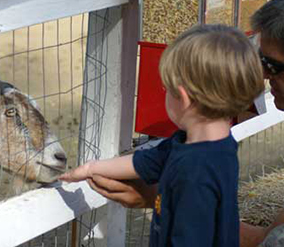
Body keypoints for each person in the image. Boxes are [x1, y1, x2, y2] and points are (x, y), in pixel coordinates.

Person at [86, 0, 284, 247]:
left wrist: (170, 199)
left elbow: (269, 241)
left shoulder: (201, 165)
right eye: (260, 61)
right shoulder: (220, 149)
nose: (264, 75)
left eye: (273, 66)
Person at [60, 24, 264, 246]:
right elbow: (148, 161)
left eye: (166, 88)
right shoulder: (210, 145)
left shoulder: (194, 174)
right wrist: (91, 168)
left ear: (183, 97)